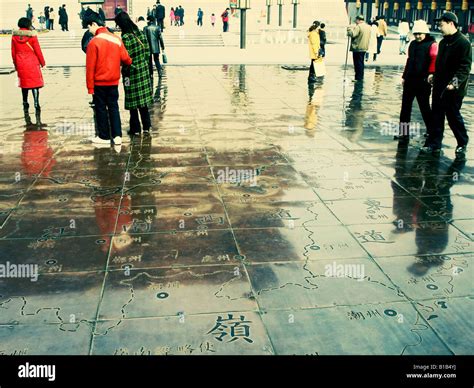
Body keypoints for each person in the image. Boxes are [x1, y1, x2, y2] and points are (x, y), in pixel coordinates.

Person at [423, 12, 472, 157]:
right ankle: (434, 144)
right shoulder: (443, 42)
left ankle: (462, 142)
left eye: (441, 24)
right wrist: (434, 75)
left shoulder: (463, 43)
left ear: (451, 23)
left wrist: (454, 83)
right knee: (436, 115)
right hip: (439, 86)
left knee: (453, 117)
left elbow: (465, 67)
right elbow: (440, 64)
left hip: (454, 89)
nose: (439, 27)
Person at [84, 10, 132, 145]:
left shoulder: (94, 42)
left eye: (89, 27)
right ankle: (117, 136)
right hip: (113, 81)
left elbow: (90, 68)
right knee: (113, 107)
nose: (89, 30)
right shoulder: (116, 39)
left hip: (99, 83)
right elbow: (127, 59)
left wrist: (90, 87)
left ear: (94, 24)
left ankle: (104, 136)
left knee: (100, 109)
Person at [395, 20, 438, 143]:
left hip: (423, 82)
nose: (418, 36)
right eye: (416, 34)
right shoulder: (413, 44)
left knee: (424, 107)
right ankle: (403, 133)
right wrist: (404, 76)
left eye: (420, 34)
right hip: (410, 80)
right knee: (405, 108)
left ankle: (431, 130)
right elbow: (409, 61)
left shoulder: (432, 44)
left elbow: (434, 61)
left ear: (426, 33)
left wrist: (431, 75)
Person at [115, 12, 153, 136]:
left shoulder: (126, 38)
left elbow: (125, 58)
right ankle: (147, 126)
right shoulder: (141, 33)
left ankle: (135, 129)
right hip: (143, 71)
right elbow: (148, 52)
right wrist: (142, 64)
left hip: (131, 74)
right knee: (143, 103)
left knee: (133, 104)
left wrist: (127, 68)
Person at [11, 17, 46, 124]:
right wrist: (42, 62)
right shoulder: (32, 36)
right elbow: (37, 50)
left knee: (24, 84)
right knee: (34, 84)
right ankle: (36, 103)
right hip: (32, 61)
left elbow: (13, 52)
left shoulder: (14, 37)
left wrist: (15, 63)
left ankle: (25, 102)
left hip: (20, 62)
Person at [347, 15, 371, 81]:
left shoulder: (358, 27)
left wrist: (349, 30)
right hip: (364, 47)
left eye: (356, 21)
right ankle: (361, 76)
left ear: (358, 20)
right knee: (361, 63)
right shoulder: (368, 26)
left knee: (357, 63)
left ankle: (358, 77)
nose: (356, 22)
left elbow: (353, 34)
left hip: (357, 47)